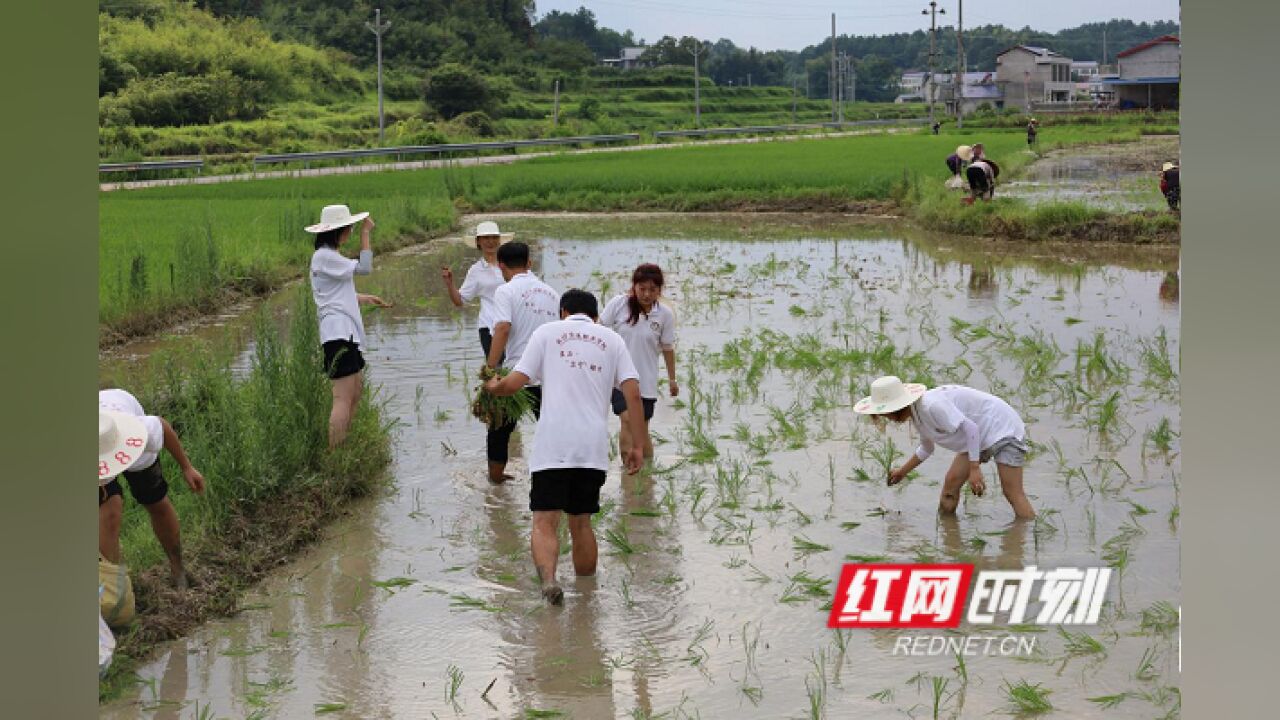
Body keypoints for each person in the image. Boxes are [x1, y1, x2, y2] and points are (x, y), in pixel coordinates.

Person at [483, 289, 645, 604]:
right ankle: (587, 596)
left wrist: (493, 387)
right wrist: (637, 444)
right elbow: (633, 393)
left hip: (553, 446)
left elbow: (515, 382)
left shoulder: (547, 333)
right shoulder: (611, 340)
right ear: (596, 316)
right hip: (592, 447)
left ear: (563, 312)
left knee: (545, 520)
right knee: (581, 521)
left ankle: (549, 581)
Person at [853, 376, 1035, 519]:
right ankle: (948, 534)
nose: (886, 417)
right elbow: (927, 448)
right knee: (950, 485)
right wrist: (902, 471)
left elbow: (971, 428)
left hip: (1002, 427)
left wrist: (974, 468)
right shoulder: (917, 415)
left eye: (886, 412)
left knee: (1012, 492)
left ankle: (1027, 536)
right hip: (978, 437)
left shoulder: (931, 406)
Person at [98, 395, 206, 589]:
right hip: (97, 447)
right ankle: (114, 587)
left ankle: (178, 569)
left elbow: (163, 426)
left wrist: (187, 468)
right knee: (110, 512)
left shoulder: (139, 433)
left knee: (155, 501)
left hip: (124, 441)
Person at [305, 204, 391, 448]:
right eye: (350, 228)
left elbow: (333, 293)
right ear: (338, 231)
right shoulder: (324, 256)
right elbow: (364, 267)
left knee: (355, 392)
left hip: (345, 332)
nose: (351, 232)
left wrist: (364, 298)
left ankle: (344, 447)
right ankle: (336, 454)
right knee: (343, 398)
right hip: (337, 333)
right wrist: (366, 234)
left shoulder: (329, 257)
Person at [485, 240, 560, 484]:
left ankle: (496, 482)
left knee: (499, 429)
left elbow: (503, 327)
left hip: (517, 372)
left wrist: (490, 367)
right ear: (529, 263)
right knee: (550, 429)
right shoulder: (551, 292)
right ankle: (553, 476)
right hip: (549, 376)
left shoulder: (505, 291)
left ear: (501, 265)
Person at [600, 264, 678, 464]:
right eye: (642, 288)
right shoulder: (619, 304)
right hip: (618, 379)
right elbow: (598, 331)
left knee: (641, 427)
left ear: (660, 290)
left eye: (652, 290)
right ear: (634, 287)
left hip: (647, 380)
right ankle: (630, 473)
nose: (647, 294)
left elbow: (667, 348)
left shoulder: (664, 314)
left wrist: (672, 380)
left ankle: (647, 473)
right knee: (626, 420)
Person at [441, 221, 507, 361]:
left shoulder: (510, 264)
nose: (491, 242)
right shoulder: (476, 270)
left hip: (513, 324)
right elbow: (460, 300)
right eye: (486, 238)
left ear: (499, 240)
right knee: (496, 370)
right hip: (488, 325)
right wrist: (450, 283)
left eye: (494, 237)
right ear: (478, 242)